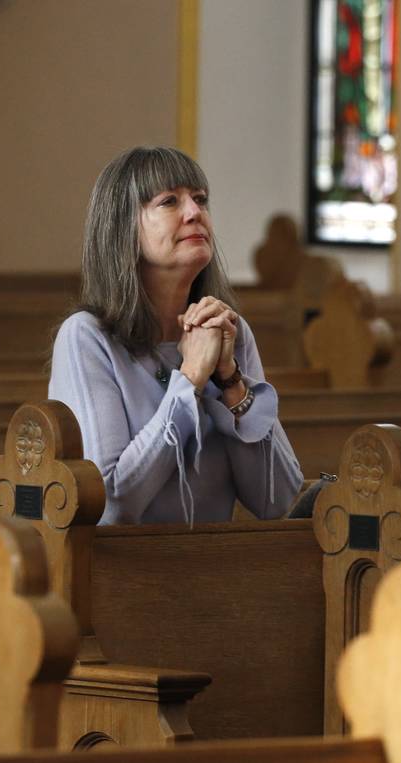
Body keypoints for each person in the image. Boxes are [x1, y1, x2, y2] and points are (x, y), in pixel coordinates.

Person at [49, 146, 303, 526]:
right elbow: (111, 508)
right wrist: (190, 379)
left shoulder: (229, 331)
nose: (194, 212)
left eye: (200, 200)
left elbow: (277, 500)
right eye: (170, 201)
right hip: (123, 577)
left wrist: (230, 379)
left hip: (222, 571)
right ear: (124, 228)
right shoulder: (87, 338)